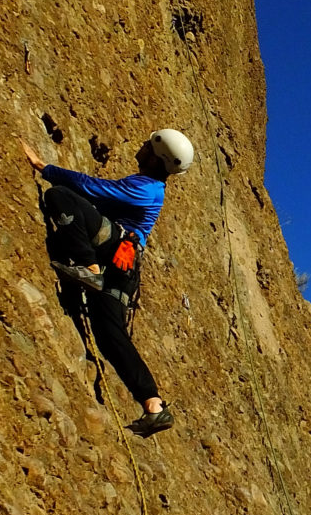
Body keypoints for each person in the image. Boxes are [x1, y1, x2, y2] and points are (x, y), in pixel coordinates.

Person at [20, 129, 195, 435]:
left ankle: (88, 267)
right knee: (109, 335)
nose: (140, 146)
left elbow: (93, 188)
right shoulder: (152, 187)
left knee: (59, 196)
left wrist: (43, 167)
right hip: (123, 268)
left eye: (147, 145)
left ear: (156, 157)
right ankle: (154, 405)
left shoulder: (146, 188)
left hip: (111, 253)